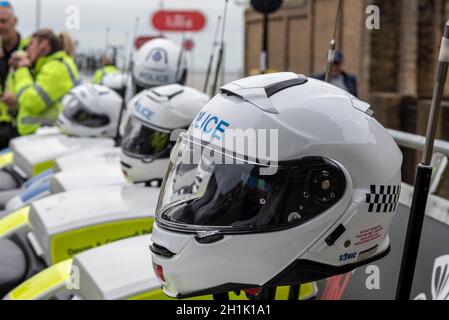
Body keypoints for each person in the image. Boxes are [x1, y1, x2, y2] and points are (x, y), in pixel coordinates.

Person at [9, 29, 80, 136]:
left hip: (47, 138)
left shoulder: (56, 68)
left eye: (31, 44)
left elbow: (32, 102)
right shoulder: (48, 66)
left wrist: (21, 69)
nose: (27, 49)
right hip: (41, 136)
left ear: (44, 45)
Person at [0, 1, 28, 149]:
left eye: (3, 21)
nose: (0, 27)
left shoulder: (30, 50)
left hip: (21, 130)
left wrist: (19, 101)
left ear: (14, 21)